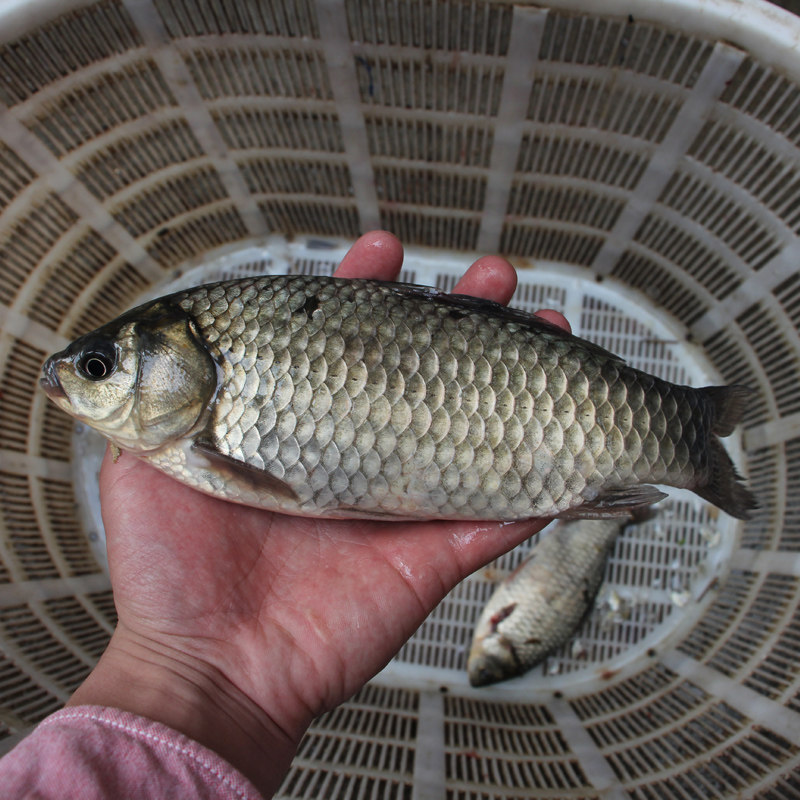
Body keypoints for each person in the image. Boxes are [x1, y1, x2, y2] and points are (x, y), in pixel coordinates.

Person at [0, 231, 570, 799]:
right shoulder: (183, 440)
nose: (71, 380)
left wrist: (182, 667)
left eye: (98, 367)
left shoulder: (185, 442)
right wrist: (184, 662)